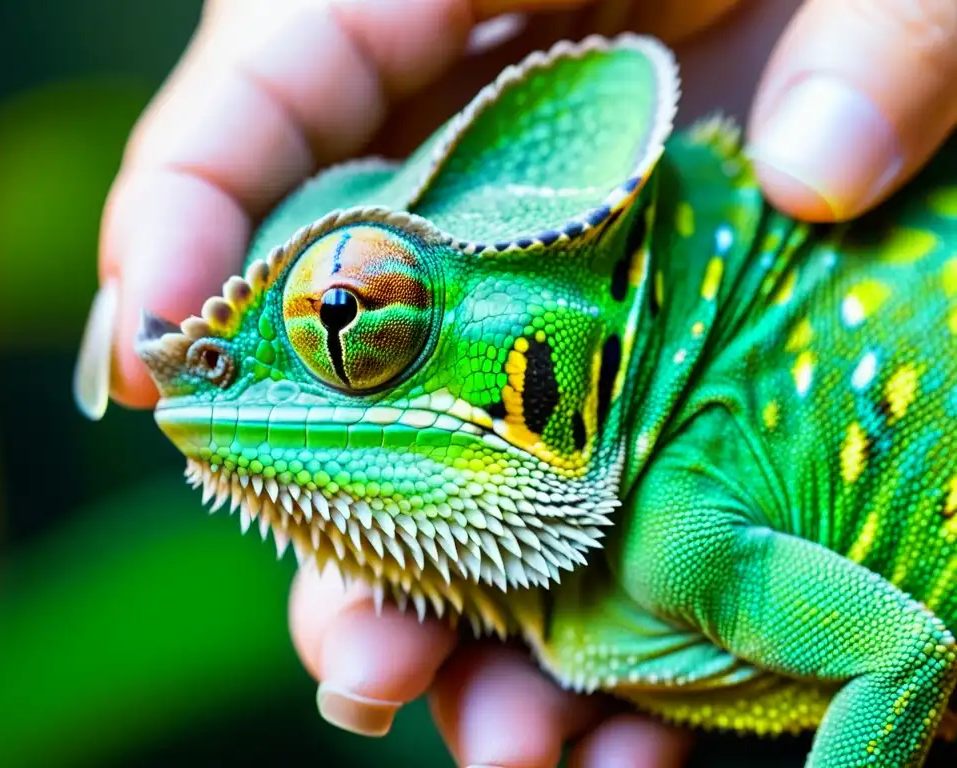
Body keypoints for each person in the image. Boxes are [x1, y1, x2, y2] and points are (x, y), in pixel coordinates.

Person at [76, 1, 957, 765]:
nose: (216, 377)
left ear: (544, 367)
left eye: (349, 321)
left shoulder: (681, 536)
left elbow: (900, 658)